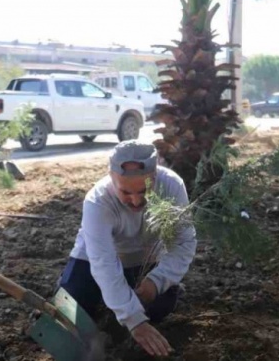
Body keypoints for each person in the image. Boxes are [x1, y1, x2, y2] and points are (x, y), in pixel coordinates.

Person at [58, 141, 196, 358]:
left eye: (144, 191)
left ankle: (114, 308)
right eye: (126, 192)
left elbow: (183, 243)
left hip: (144, 259)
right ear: (111, 178)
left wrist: (156, 281)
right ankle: (113, 305)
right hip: (92, 258)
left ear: (156, 175)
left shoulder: (172, 186)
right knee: (69, 307)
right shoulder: (97, 201)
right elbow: (103, 262)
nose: (136, 200)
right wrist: (134, 321)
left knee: (160, 306)